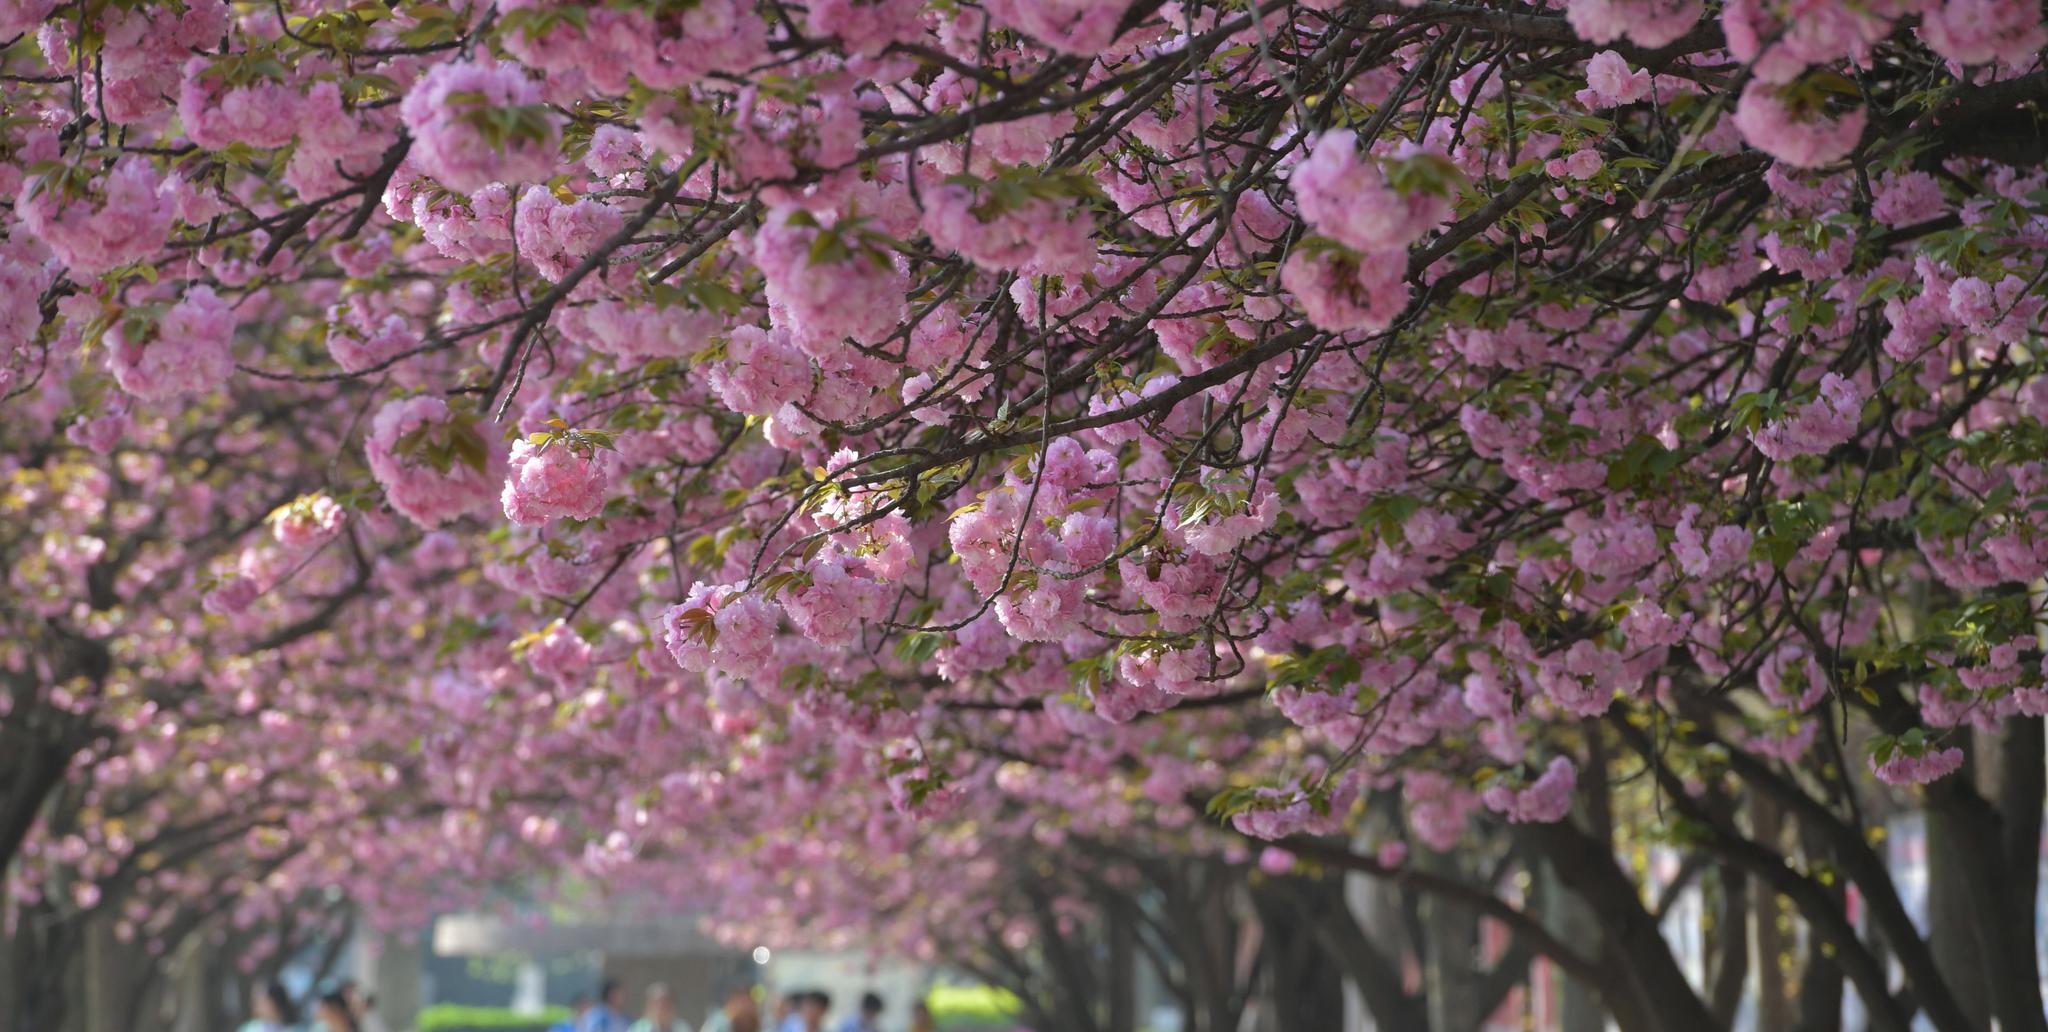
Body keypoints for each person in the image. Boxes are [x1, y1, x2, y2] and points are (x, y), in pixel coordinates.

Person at [627, 982, 694, 1032]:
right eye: (656, 1004)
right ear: (648, 1007)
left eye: (665, 1005)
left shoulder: (683, 1028)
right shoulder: (638, 1029)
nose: (661, 1009)